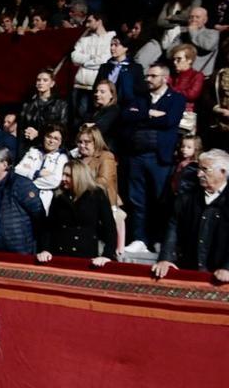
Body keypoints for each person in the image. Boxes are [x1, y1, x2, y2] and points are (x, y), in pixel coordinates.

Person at [121, 63, 186, 253]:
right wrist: (149, 113)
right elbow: (126, 116)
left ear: (164, 78)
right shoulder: (139, 98)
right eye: (147, 76)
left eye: (153, 76)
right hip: (137, 157)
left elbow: (169, 121)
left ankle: (158, 239)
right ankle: (139, 239)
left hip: (159, 158)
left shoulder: (176, 98)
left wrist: (140, 117)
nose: (148, 79)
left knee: (160, 200)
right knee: (136, 199)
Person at [154, 150, 229, 282]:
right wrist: (165, 258)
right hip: (189, 271)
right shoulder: (186, 199)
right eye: (199, 168)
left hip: (221, 276)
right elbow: (173, 228)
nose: (199, 173)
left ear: (223, 172)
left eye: (205, 169)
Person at [36, 160, 117, 267]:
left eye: (68, 175)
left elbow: (109, 227)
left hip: (86, 255)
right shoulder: (59, 196)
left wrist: (106, 255)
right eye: (63, 174)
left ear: (80, 177)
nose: (63, 179)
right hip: (59, 253)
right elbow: (48, 227)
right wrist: (45, 249)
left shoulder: (97, 195)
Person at [0, 146, 45, 254]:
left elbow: (39, 218)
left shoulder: (21, 184)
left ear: (4, 165)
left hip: (18, 253)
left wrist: (42, 248)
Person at [70, 13, 114, 126]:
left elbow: (104, 61)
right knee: (76, 117)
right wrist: (92, 58)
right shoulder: (85, 39)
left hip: (94, 86)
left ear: (99, 21)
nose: (87, 24)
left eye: (90, 21)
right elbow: (74, 57)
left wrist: (84, 61)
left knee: (88, 116)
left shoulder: (111, 38)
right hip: (79, 84)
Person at [14, 124, 69, 213]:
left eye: (56, 138)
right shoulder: (33, 151)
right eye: (49, 137)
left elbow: (54, 181)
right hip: (23, 197)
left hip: (43, 201)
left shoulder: (62, 158)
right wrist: (36, 173)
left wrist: (26, 179)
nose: (51, 141)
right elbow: (17, 170)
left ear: (60, 142)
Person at [18, 69, 70, 153]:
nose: (40, 83)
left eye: (45, 80)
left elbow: (62, 129)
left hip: (51, 147)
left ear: (52, 84)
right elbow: (21, 127)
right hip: (29, 146)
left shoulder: (61, 104)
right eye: (38, 80)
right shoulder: (28, 104)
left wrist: (39, 134)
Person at [160, 7, 220, 77]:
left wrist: (193, 32)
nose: (194, 20)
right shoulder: (183, 33)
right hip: (178, 74)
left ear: (205, 20)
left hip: (199, 77)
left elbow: (207, 46)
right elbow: (169, 52)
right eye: (191, 17)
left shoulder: (212, 33)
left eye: (197, 17)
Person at [94, 34, 147, 108]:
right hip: (105, 106)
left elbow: (141, 91)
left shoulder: (135, 68)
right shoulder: (104, 67)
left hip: (125, 107)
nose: (112, 48)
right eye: (111, 45)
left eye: (116, 45)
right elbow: (96, 87)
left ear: (125, 48)